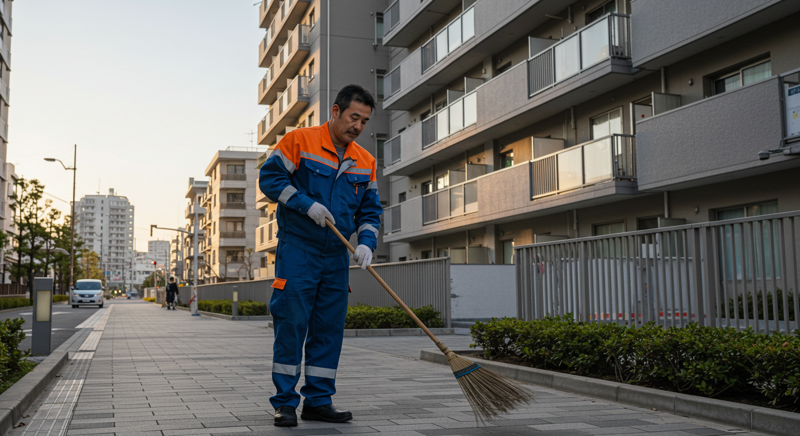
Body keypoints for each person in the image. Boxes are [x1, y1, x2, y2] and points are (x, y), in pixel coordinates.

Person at [259, 84, 382, 427]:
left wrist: (367, 243)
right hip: (299, 249)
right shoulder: (299, 141)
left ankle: (318, 400)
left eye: (364, 121)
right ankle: (284, 402)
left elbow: (370, 212)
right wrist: (304, 203)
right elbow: (269, 178)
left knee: (329, 329)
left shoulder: (365, 161)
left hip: (336, 258)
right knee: (291, 324)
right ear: (335, 111)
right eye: (353, 117)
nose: (358, 126)